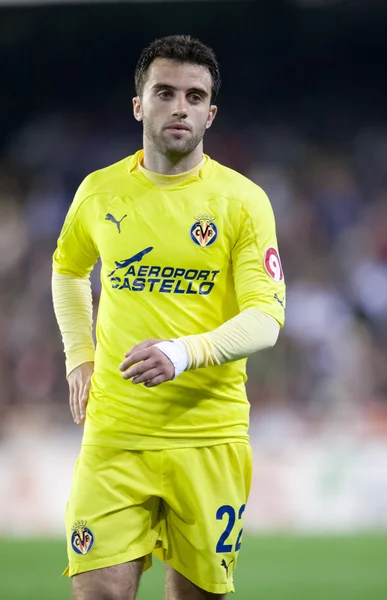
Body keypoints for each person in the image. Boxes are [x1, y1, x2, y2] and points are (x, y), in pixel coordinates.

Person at [52, 34, 285, 600]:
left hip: (208, 436)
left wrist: (182, 352)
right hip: (116, 434)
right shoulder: (99, 193)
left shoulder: (243, 201)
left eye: (194, 95)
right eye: (164, 92)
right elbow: (67, 271)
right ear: (139, 105)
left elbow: (265, 319)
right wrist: (79, 355)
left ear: (210, 112)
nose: (179, 106)